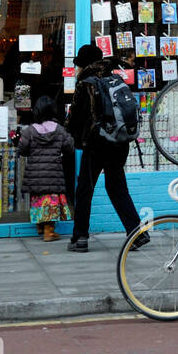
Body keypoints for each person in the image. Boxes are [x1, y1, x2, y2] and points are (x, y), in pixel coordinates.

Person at [66, 44, 143, 253]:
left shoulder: (87, 84)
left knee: (84, 190)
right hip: (120, 143)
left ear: (83, 65)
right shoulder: (115, 79)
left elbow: (77, 119)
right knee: (117, 187)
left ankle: (80, 237)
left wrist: (72, 136)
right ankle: (136, 232)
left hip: (97, 145)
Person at [19, 96, 74, 242]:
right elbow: (69, 148)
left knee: (38, 199)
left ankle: (40, 227)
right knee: (51, 201)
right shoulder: (59, 130)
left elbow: (22, 150)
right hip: (53, 173)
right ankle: (49, 231)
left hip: (35, 175)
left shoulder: (29, 131)